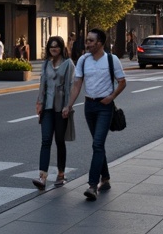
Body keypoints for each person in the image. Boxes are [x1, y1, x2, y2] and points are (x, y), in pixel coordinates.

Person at [64, 27, 127, 201]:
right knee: (97, 144)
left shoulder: (111, 59)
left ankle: (93, 185)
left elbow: (122, 82)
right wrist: (68, 105)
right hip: (89, 106)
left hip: (105, 106)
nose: (87, 44)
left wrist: (111, 97)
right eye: (87, 40)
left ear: (100, 43)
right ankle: (105, 178)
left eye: (91, 41)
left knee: (97, 144)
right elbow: (77, 84)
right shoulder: (83, 60)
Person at [32, 35, 74, 191]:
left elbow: (70, 86)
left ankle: (61, 174)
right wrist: (39, 103)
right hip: (47, 108)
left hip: (61, 107)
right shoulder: (46, 64)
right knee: (46, 140)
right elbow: (42, 85)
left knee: (60, 141)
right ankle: (42, 176)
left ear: (62, 48)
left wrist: (68, 106)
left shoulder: (68, 64)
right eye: (51, 46)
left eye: (56, 46)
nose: (53, 49)